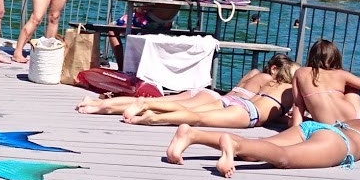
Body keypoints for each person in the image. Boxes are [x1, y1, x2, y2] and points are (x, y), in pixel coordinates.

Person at [163, 117, 360, 177]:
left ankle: (193, 134)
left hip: (321, 127)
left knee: (259, 147)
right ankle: (231, 143)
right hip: (339, 143)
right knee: (283, 158)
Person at [78, 54, 299, 128]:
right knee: (173, 109)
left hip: (213, 95)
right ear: (275, 69)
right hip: (221, 101)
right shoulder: (268, 81)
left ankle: (97, 105)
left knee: (167, 102)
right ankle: (102, 107)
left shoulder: (253, 73)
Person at [294, 40, 360, 121]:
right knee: (352, 87)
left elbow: (298, 104)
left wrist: (295, 127)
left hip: (327, 123)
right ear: (336, 57)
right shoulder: (341, 74)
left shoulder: (301, 72)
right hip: (352, 119)